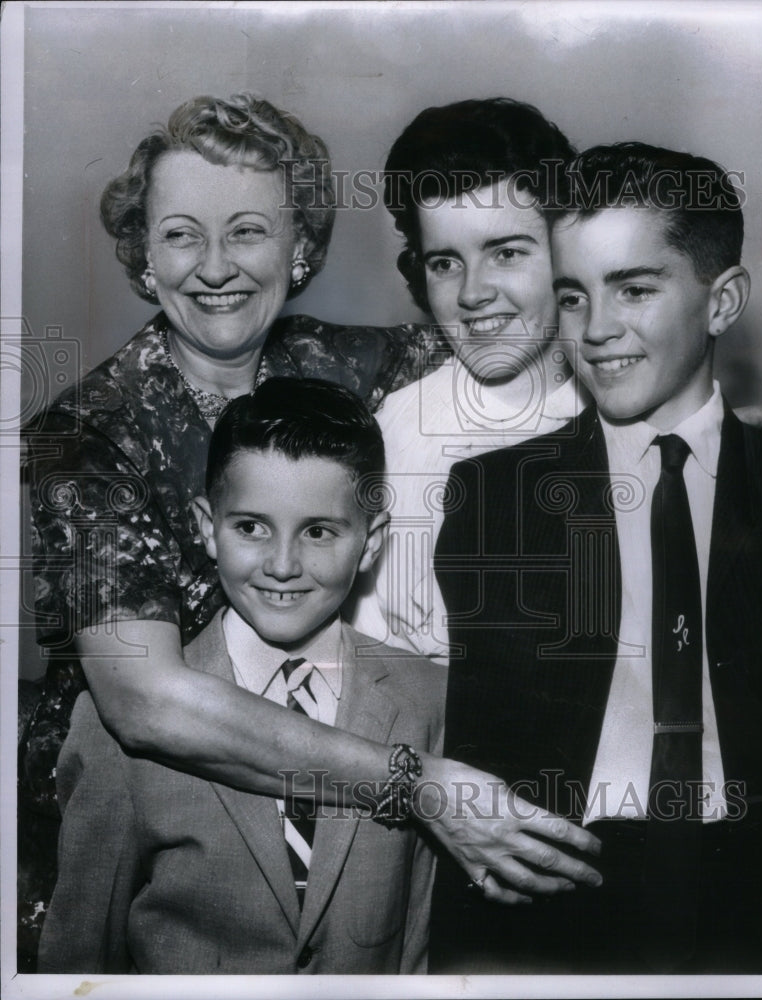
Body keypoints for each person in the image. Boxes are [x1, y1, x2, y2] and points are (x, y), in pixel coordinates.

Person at [21, 92, 601, 968]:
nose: (216, 266)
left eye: (249, 231)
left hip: (342, 847)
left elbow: (509, 336)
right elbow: (144, 701)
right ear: (143, 257)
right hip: (149, 840)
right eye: (181, 234)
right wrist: (417, 783)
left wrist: (702, 436)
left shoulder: (360, 367)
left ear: (301, 250)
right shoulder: (88, 429)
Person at [431, 143, 762, 973]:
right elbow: (484, 757)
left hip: (760, 889)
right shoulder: (497, 498)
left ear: (723, 299)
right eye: (573, 295)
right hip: (561, 892)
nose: (595, 330)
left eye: (634, 288)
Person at [38, 378, 445, 974]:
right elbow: (79, 959)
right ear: (207, 527)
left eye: (320, 531)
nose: (283, 565)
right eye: (251, 527)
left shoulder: (428, 702)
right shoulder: (111, 725)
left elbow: (418, 953)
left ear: (371, 541)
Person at [349, 98, 587, 663]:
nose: (473, 293)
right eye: (445, 263)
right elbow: (371, 666)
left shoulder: (633, 412)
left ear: (568, 253)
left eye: (506, 253)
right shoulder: (395, 436)